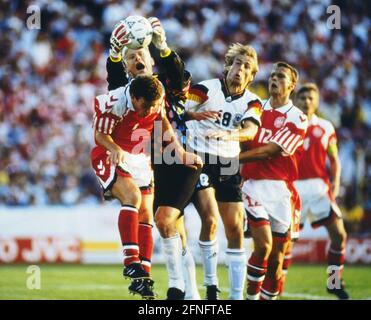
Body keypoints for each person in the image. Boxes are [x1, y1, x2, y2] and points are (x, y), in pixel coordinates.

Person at [107, 17, 210, 300]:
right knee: (170, 226)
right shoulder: (129, 93)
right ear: (127, 67)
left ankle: (190, 287)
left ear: (152, 60)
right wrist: (114, 55)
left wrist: (164, 47)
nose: (137, 57)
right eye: (130, 57)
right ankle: (186, 290)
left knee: (181, 221)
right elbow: (113, 82)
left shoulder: (168, 82)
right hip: (151, 165)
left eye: (141, 53)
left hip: (181, 159)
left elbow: (179, 77)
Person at [185, 43, 262, 300]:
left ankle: (237, 296)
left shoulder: (253, 101)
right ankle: (211, 286)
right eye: (238, 63)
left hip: (229, 161)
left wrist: (232, 134)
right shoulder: (205, 88)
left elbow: (251, 130)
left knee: (236, 229)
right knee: (210, 219)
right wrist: (193, 117)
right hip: (201, 159)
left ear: (251, 76)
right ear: (229, 66)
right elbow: (182, 109)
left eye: (247, 67)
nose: (241, 70)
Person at [91, 75, 165, 299]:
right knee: (133, 197)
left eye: (153, 105)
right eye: (145, 105)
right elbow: (99, 135)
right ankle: (131, 262)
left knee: (146, 216)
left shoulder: (157, 97)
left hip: (139, 158)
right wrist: (113, 148)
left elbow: (163, 122)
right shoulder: (113, 103)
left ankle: (143, 279)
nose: (149, 110)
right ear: (134, 97)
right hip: (111, 153)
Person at [240, 62, 308, 300]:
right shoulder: (254, 110)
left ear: (292, 85)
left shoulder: (298, 118)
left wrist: (230, 157)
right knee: (263, 246)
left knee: (277, 259)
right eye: (272, 75)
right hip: (252, 186)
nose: (274, 79)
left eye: (280, 76)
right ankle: (249, 297)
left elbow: (269, 150)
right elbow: (239, 139)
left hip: (281, 193)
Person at [286, 83, 348, 299]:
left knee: (339, 235)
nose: (307, 101)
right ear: (296, 100)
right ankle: (276, 284)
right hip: (295, 188)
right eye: (303, 97)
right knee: (285, 242)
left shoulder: (326, 127)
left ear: (317, 101)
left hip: (320, 189)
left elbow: (335, 160)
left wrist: (336, 184)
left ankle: (334, 282)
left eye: (311, 97)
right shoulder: (288, 124)